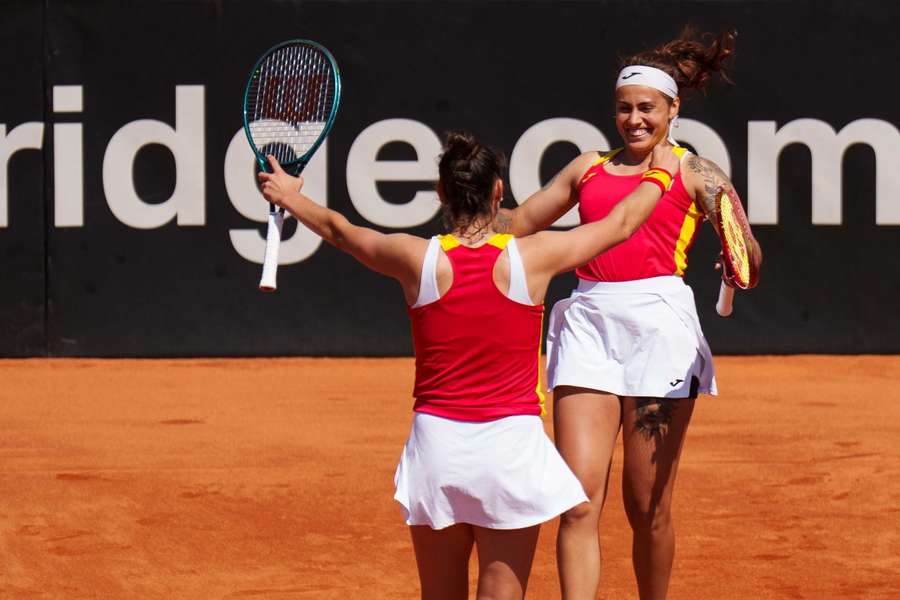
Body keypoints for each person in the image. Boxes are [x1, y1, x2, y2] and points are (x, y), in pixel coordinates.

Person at [257, 131, 680, 600]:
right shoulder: (533, 257)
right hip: (509, 453)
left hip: (437, 452)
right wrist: (662, 170)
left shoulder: (414, 258)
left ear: (441, 193)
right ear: (498, 192)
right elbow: (620, 225)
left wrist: (290, 198)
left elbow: (340, 231)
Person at [492, 27, 762, 600]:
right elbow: (517, 223)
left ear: (672, 108)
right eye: (624, 108)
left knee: (647, 507)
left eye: (646, 108)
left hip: (660, 332)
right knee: (578, 500)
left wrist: (742, 261)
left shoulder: (697, 171)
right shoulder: (587, 167)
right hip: (588, 325)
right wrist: (467, 219)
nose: (634, 119)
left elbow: (747, 249)